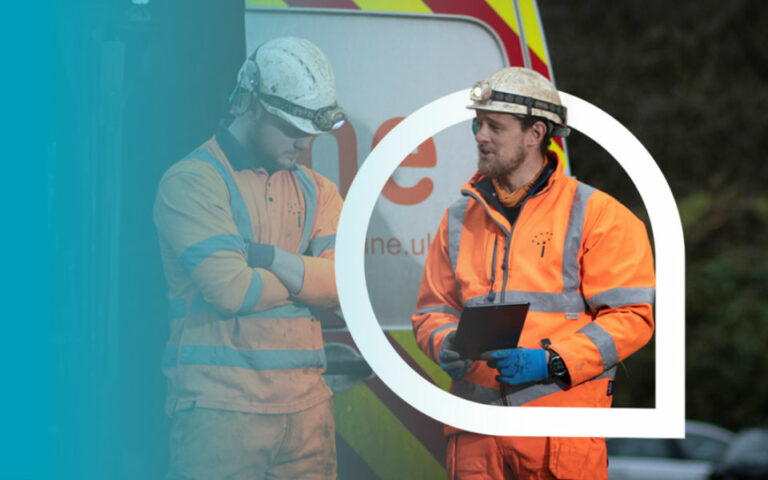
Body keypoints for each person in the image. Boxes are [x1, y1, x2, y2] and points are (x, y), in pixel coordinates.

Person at [412, 67, 655, 479]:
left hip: (557, 442)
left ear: (535, 132)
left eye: (494, 126)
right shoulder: (457, 218)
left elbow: (632, 318)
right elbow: (433, 309)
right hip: (476, 440)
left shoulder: (598, 215)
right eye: (478, 123)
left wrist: (552, 361)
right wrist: (445, 342)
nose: (480, 136)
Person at [154, 37, 346, 479]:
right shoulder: (192, 182)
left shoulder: (319, 190)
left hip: (308, 412)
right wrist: (306, 277)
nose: (304, 143)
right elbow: (232, 289)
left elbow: (342, 288)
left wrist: (270, 258)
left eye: (310, 132)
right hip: (221, 414)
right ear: (252, 106)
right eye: (291, 128)